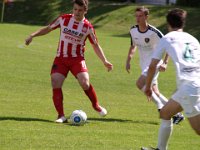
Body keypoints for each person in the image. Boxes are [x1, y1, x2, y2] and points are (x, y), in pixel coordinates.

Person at [25, 0, 113, 123]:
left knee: (85, 83)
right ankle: (61, 116)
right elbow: (48, 28)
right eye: (75, 9)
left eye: (80, 10)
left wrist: (105, 61)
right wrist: (32, 35)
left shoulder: (88, 27)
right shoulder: (63, 19)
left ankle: (96, 105)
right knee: (55, 82)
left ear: (85, 11)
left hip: (77, 59)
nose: (77, 12)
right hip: (61, 58)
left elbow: (96, 45)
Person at [142, 8, 200, 150]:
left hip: (189, 87)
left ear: (168, 23)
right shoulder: (193, 39)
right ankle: (161, 149)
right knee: (165, 113)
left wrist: (148, 87)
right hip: (190, 84)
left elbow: (152, 66)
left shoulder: (167, 38)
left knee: (199, 129)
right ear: (183, 23)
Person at [126, 6, 184, 124]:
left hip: (155, 63)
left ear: (146, 17)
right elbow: (133, 45)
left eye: (140, 16)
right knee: (155, 92)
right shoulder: (133, 30)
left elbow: (168, 45)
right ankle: (177, 114)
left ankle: (160, 107)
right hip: (144, 64)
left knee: (139, 83)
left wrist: (165, 62)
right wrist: (128, 60)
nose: (137, 18)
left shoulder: (154, 32)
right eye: (136, 16)